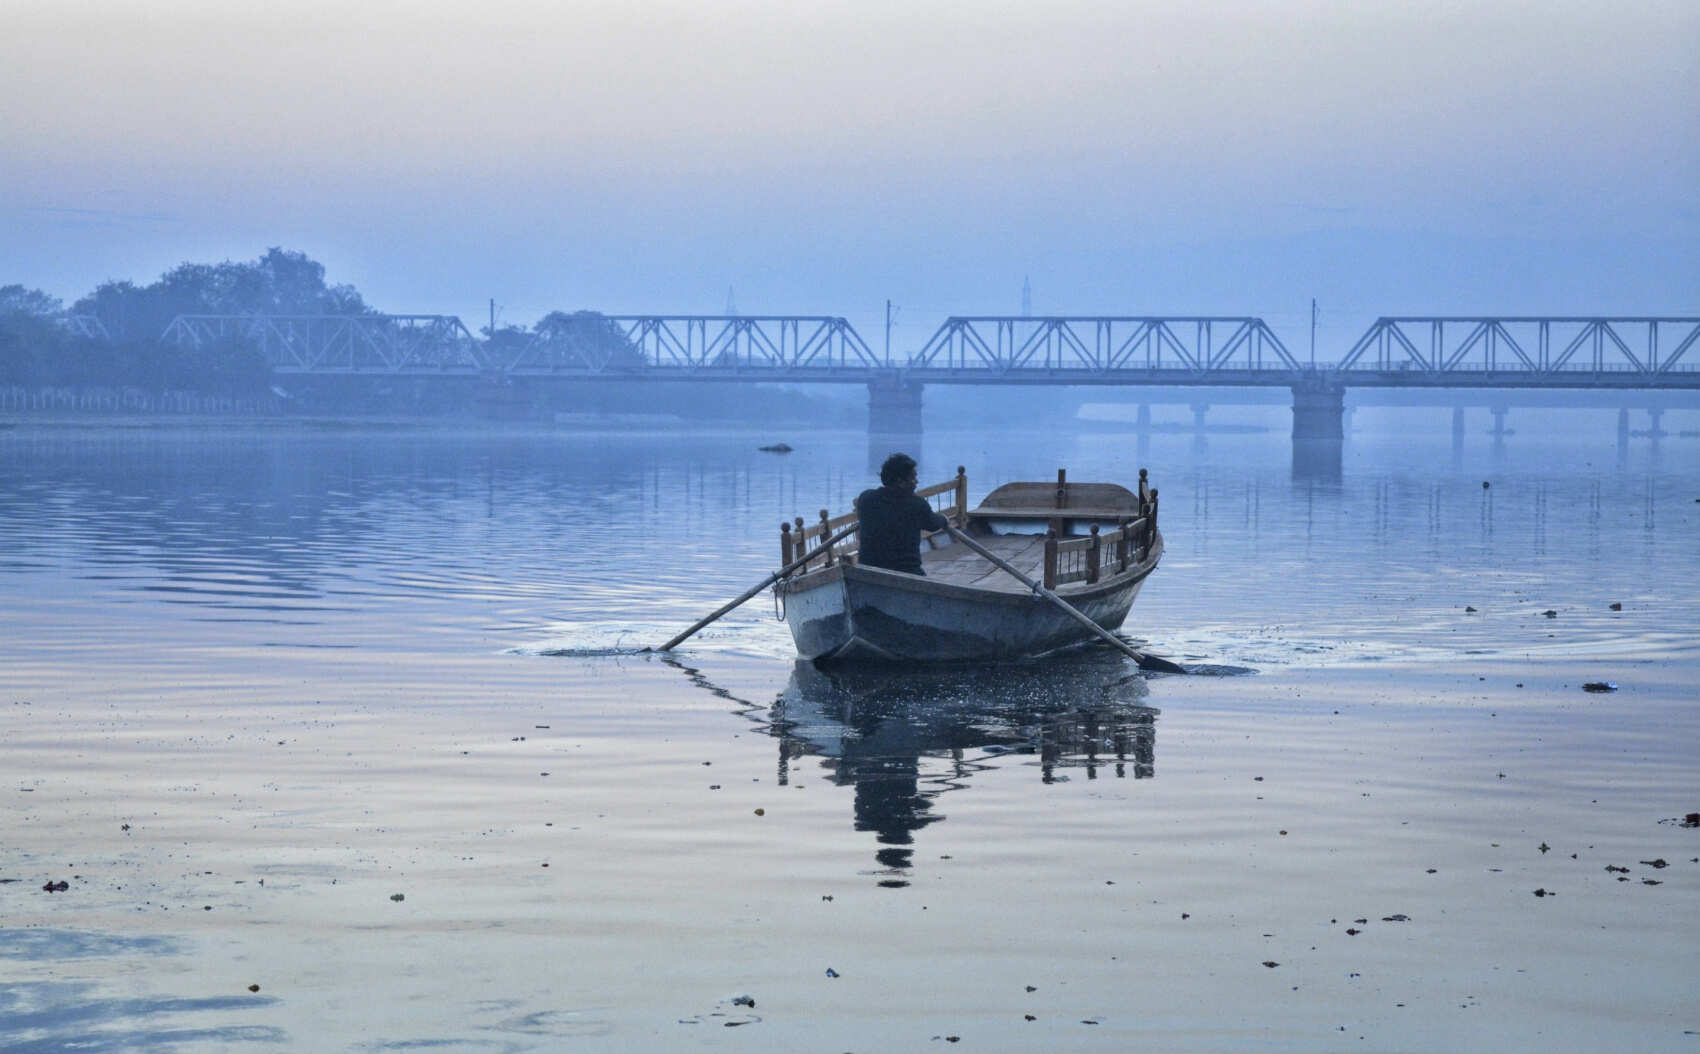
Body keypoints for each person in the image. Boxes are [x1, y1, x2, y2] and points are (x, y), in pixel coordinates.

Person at [854, 453, 948, 575]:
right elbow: (934, 524)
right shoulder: (917, 505)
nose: (917, 482)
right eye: (913, 478)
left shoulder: (866, 498)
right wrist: (944, 519)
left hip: (868, 571)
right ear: (900, 481)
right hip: (907, 573)